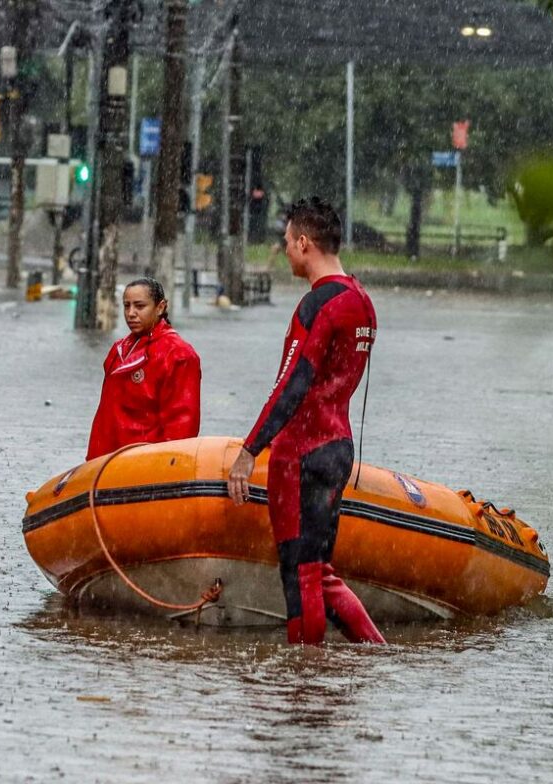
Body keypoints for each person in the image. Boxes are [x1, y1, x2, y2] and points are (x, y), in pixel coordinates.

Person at [226, 197, 385, 646]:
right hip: (338, 448)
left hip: (300, 454)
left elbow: (291, 385)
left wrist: (249, 449)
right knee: (319, 570)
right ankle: (376, 653)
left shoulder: (318, 305)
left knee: (299, 576)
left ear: (303, 243)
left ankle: (303, 679)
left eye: (287, 242)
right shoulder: (362, 301)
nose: (285, 252)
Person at [86, 277, 202, 461]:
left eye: (139, 306)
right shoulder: (119, 350)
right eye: (126, 306)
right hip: (106, 463)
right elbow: (105, 417)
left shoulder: (179, 355)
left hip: (143, 466)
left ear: (160, 307)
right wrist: (93, 461)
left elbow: (182, 426)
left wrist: (165, 469)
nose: (131, 313)